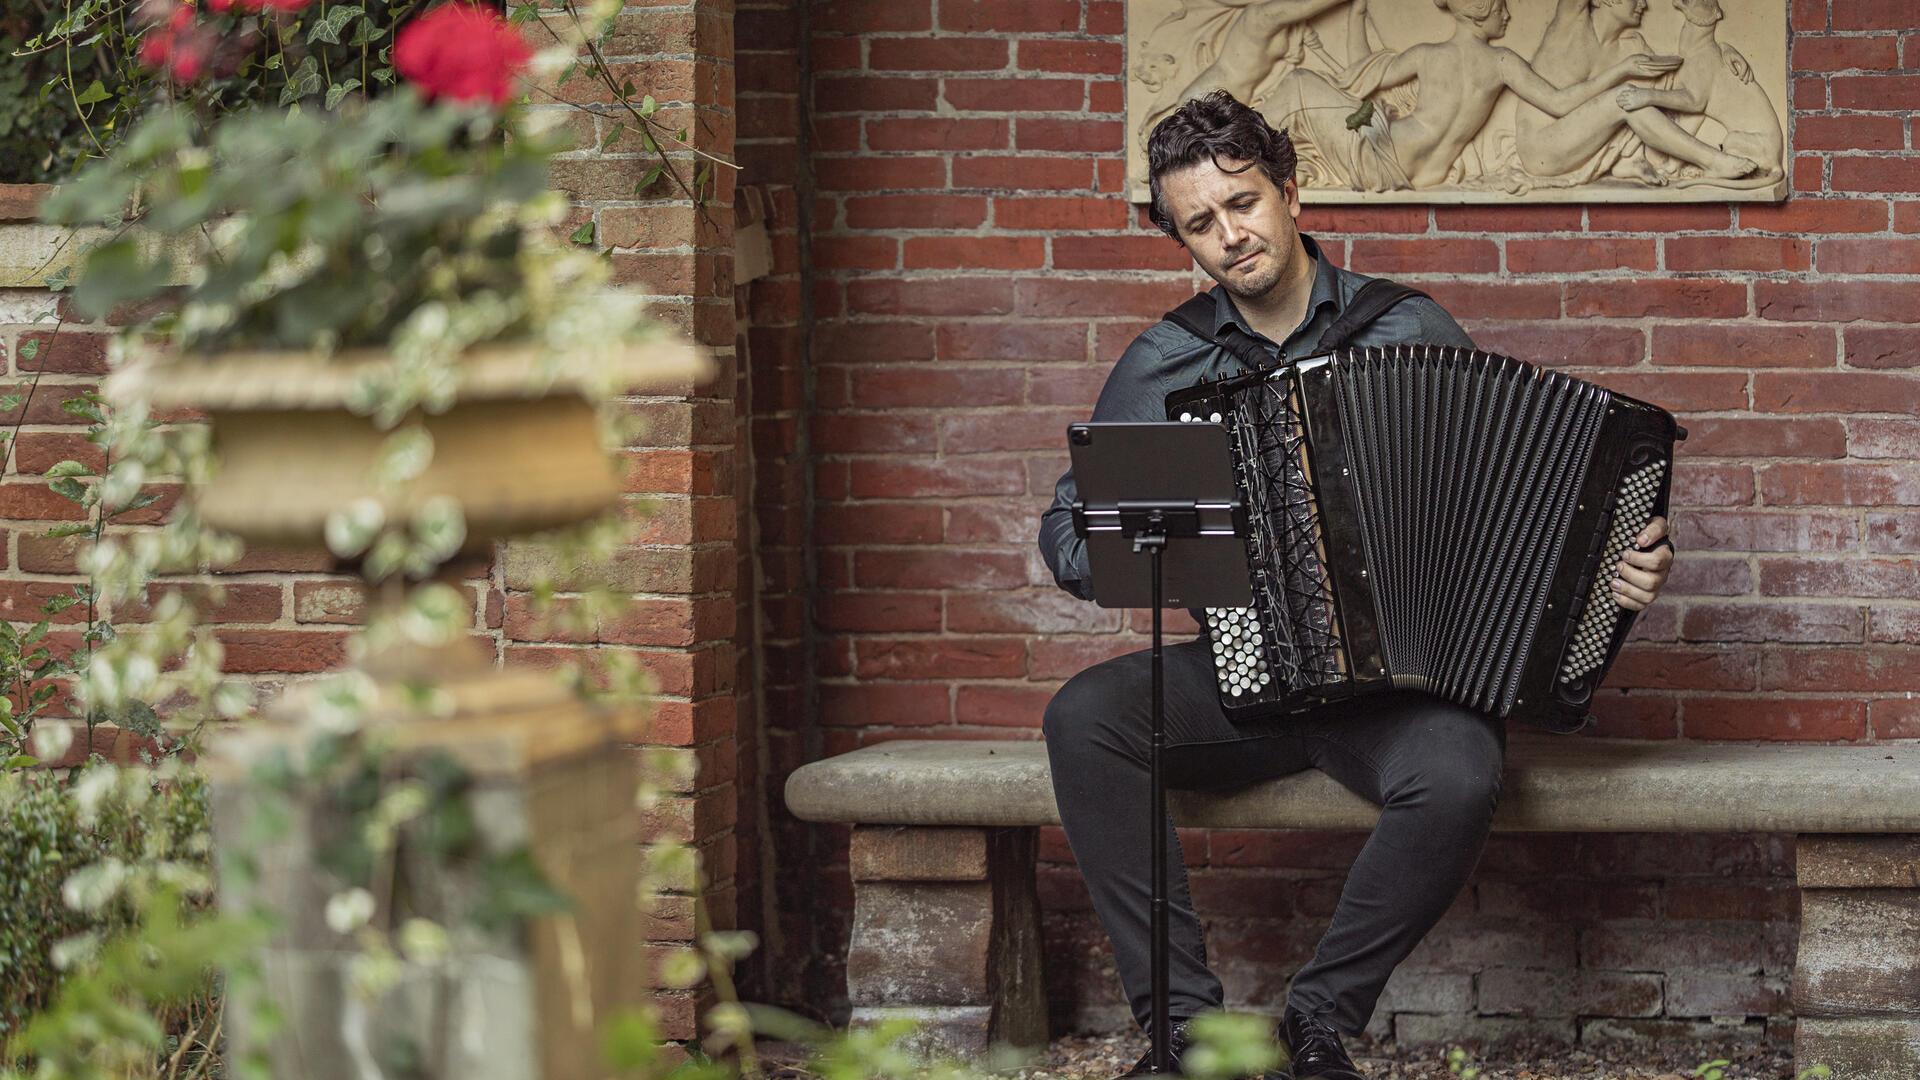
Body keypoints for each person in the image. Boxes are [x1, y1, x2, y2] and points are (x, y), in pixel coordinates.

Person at [1036, 91, 1675, 1080]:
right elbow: (1072, 531)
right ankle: (1184, 1036)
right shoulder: (1163, 365)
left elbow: (1514, 509)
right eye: (1199, 223)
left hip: (1395, 691)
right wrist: (1142, 541)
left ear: (1290, 192)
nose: (1228, 235)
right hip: (1246, 680)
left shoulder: (1406, 328)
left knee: (1460, 773)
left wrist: (1610, 574)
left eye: (1241, 203)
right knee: (1085, 718)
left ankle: (1319, 1021)